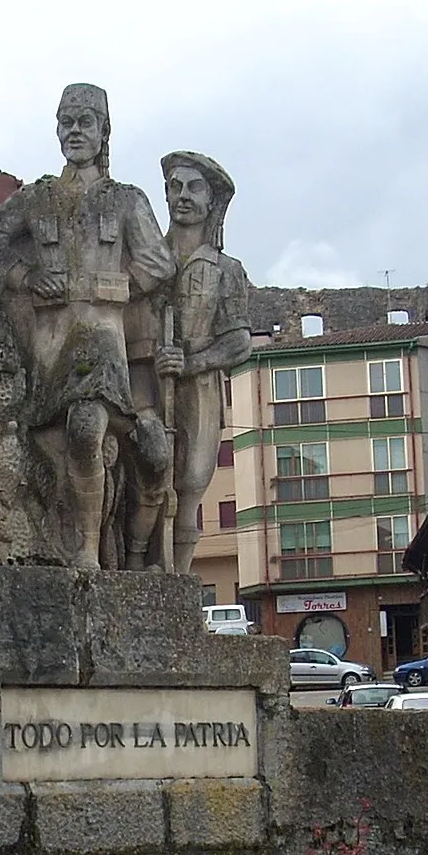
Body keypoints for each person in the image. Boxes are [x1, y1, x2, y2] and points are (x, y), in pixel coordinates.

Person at [0, 83, 175, 569]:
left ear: (103, 132)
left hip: (103, 345)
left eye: (85, 121)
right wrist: (26, 279)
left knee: (88, 424)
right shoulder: (38, 199)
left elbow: (158, 262)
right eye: (66, 121)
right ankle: (73, 541)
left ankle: (89, 551)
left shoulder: (126, 200)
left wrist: (112, 286)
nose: (74, 130)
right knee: (56, 450)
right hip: (47, 352)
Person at [155, 151, 252, 572]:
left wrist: (192, 363)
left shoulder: (226, 270)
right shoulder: (148, 257)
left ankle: (177, 575)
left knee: (190, 484)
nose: (183, 196)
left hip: (198, 389)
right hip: (146, 377)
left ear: (211, 201)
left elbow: (239, 342)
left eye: (194, 187)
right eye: (175, 187)